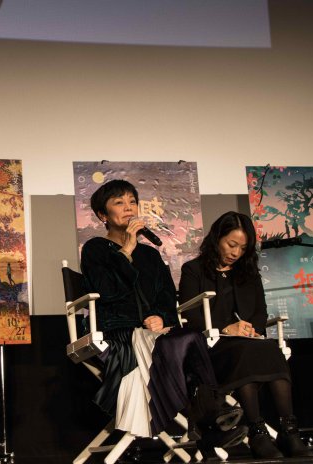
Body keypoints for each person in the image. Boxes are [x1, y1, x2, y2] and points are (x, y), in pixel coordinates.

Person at [80, 180, 247, 453]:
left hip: (156, 333)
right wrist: (126, 251)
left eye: (132, 202)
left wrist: (161, 316)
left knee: (190, 339)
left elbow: (167, 296)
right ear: (102, 215)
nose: (128, 208)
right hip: (120, 332)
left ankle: (208, 425)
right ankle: (210, 424)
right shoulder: (95, 249)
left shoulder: (150, 254)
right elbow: (106, 291)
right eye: (119, 203)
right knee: (187, 342)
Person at [178, 211, 313, 458]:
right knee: (245, 351)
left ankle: (288, 431)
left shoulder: (248, 273)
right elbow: (189, 315)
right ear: (217, 238)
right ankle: (257, 432)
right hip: (210, 346)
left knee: (269, 347)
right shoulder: (193, 270)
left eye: (242, 248)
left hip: (246, 342)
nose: (236, 253)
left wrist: (252, 329)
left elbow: (260, 313)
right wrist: (225, 328)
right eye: (231, 244)